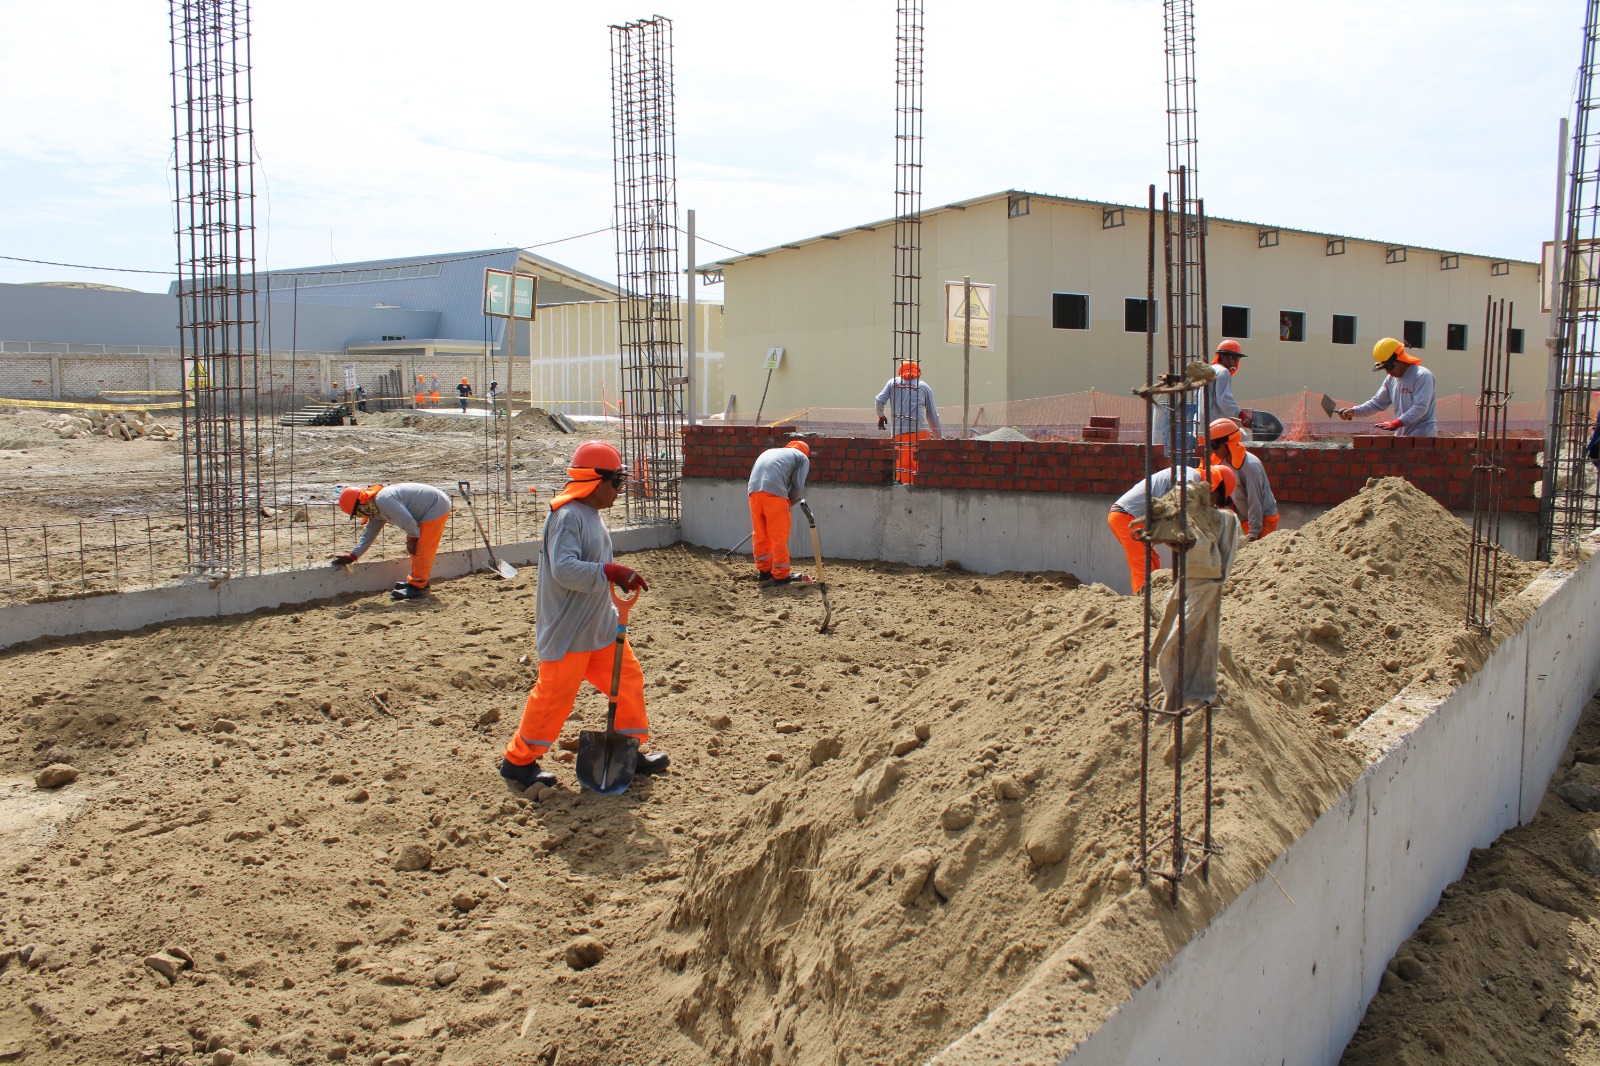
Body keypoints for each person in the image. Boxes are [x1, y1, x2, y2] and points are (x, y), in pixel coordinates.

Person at [499, 440, 668, 789]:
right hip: (570, 630)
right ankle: (518, 762)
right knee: (554, 697)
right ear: (596, 481)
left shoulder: (590, 515)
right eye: (617, 483)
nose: (621, 490)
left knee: (628, 682)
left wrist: (611, 577)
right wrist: (609, 571)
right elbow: (564, 569)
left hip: (600, 625)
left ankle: (627, 750)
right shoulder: (567, 517)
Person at [332, 482, 453, 600]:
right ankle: (417, 581)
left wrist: (415, 539)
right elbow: (369, 534)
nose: (359, 516)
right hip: (429, 505)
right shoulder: (375, 507)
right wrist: (353, 555)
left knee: (422, 547)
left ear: (361, 505)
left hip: (436, 506)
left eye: (357, 513)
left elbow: (408, 523)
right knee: (415, 545)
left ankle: (419, 587)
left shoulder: (384, 500)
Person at [1107, 465, 1204, 594]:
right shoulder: (1192, 476)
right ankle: (1143, 602)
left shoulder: (1188, 475)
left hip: (1125, 515)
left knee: (1151, 559)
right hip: (1127, 516)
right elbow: (1180, 500)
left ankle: (1148, 598)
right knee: (1144, 562)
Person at [1336, 338, 1437, 436]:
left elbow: (1421, 407)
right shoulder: (1391, 379)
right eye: (1384, 368)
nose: (1388, 372)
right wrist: (1354, 411)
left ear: (1400, 359)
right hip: (1403, 437)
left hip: (1423, 437)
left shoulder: (1422, 376)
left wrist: (1397, 423)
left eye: (1389, 367)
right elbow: (1376, 403)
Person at [747, 439, 812, 585]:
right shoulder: (802, 457)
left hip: (754, 492)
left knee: (760, 534)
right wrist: (789, 503)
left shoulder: (772, 452)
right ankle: (781, 575)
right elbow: (798, 485)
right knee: (778, 536)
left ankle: (764, 572)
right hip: (775, 495)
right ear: (805, 452)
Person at [1203, 417, 1278, 541]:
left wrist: (1253, 535)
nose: (1213, 450)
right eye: (1210, 446)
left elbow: (1255, 502)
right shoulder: (1223, 463)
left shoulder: (1250, 466)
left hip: (1264, 520)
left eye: (1215, 445)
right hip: (1244, 519)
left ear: (1228, 442)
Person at [875, 361, 941, 485]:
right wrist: (939, 438)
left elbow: (879, 400)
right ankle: (920, 495)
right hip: (920, 434)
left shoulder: (893, 383)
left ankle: (905, 497)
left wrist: (881, 416)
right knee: (920, 467)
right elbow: (932, 416)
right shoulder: (923, 387)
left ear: (900, 371)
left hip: (899, 433)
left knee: (903, 469)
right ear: (918, 372)